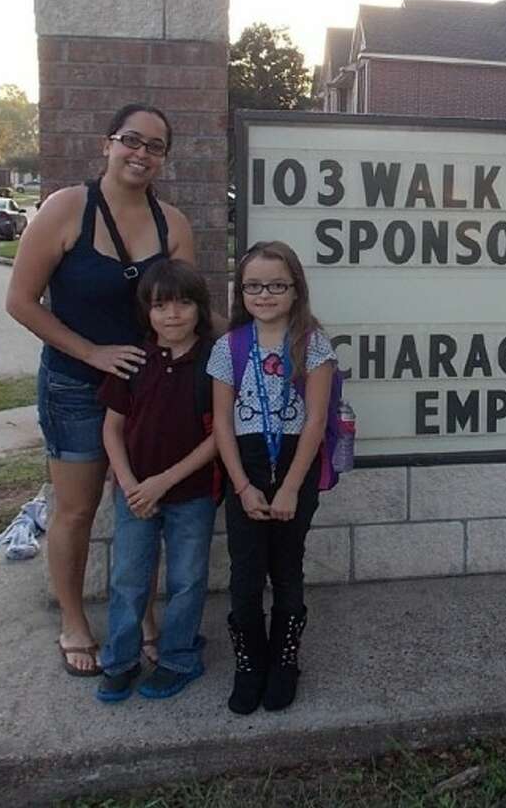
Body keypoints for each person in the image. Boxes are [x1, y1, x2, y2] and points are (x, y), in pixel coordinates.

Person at [6, 104, 195, 677]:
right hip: (75, 387)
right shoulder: (66, 208)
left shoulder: (173, 225)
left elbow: (187, 306)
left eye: (155, 146)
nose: (141, 153)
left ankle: (139, 616)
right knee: (77, 509)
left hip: (148, 394)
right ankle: (73, 620)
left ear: (164, 157)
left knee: (144, 506)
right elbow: (20, 302)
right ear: (107, 143)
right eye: (131, 141)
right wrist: (92, 353)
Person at [208, 241, 336, 714]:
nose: (264, 295)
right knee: (244, 576)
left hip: (293, 465)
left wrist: (288, 487)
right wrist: (242, 486)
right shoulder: (229, 347)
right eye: (254, 286)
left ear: (295, 289)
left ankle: (284, 662)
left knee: (286, 569)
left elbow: (316, 422)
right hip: (246, 465)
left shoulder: (313, 344)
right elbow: (221, 424)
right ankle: (250, 662)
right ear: (241, 292)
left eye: (276, 285)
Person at [95, 259, 219, 702]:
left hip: (192, 493)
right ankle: (121, 661)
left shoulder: (214, 362)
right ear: (146, 311)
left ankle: (178, 657)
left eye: (184, 303)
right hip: (134, 494)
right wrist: (131, 484)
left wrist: (162, 482)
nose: (173, 315)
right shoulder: (131, 362)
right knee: (129, 578)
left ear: (199, 308)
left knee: (187, 578)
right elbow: (111, 428)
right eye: (161, 305)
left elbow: (219, 437)